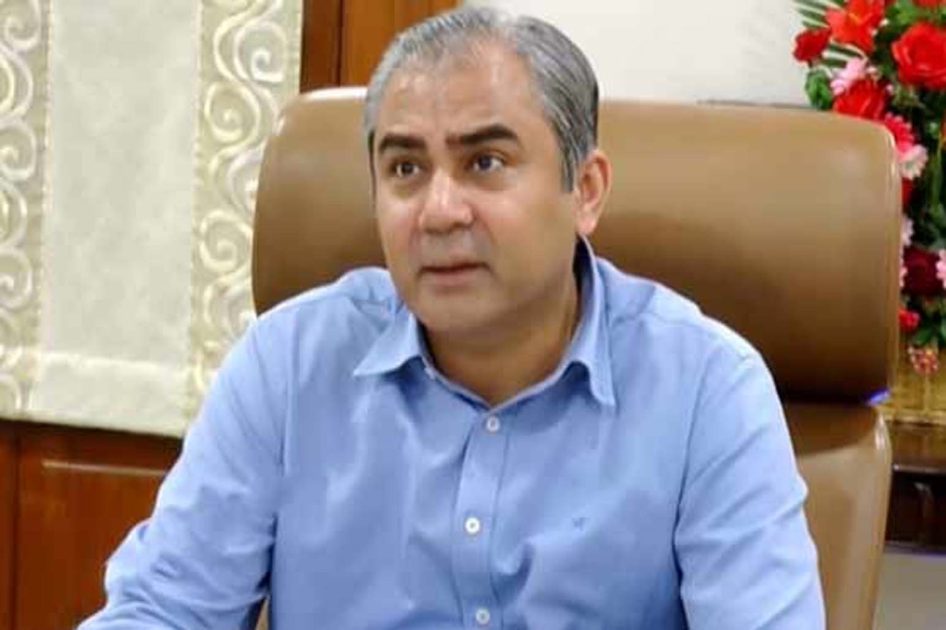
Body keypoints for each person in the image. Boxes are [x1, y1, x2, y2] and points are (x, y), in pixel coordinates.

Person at [80, 7, 824, 629]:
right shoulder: (289, 364)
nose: (439, 211)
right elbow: (162, 609)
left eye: (485, 163)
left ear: (586, 190)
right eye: (405, 169)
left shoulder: (706, 389)